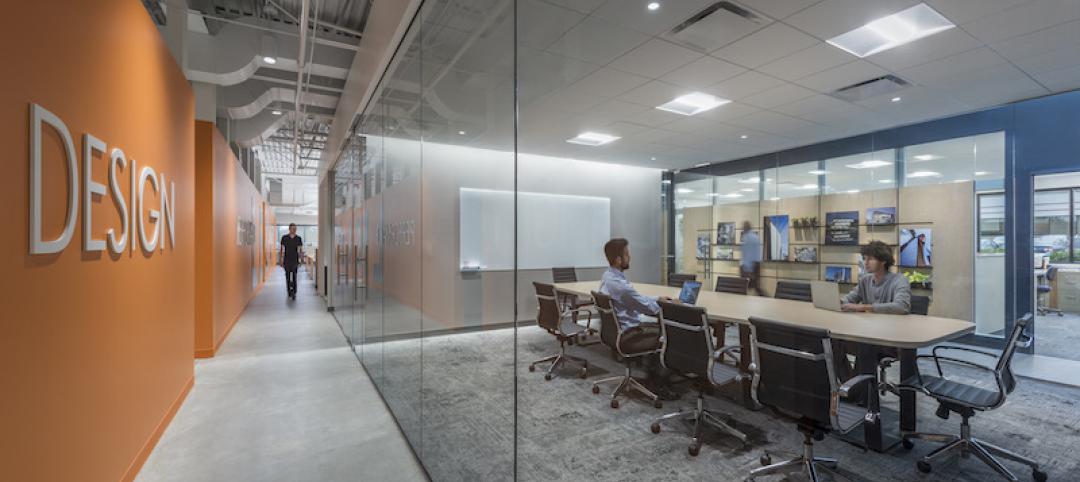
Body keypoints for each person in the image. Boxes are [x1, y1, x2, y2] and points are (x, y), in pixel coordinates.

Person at [598, 238, 679, 400]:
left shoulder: (608, 277)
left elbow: (637, 299)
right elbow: (647, 308)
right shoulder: (621, 286)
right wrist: (671, 308)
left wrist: (658, 298)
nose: (630, 257)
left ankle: (651, 373)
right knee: (669, 334)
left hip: (616, 332)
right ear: (618, 259)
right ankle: (658, 383)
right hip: (628, 334)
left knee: (657, 327)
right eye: (627, 254)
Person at [836, 240, 911, 401]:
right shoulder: (865, 280)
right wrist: (838, 302)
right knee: (833, 343)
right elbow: (850, 298)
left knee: (865, 346)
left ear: (883, 261)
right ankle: (853, 388)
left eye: (870, 258)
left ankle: (865, 398)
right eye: (865, 258)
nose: (866, 262)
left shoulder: (899, 280)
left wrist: (863, 307)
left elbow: (901, 307)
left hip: (891, 339)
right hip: (867, 333)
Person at [280, 224, 304, 299]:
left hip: (295, 259)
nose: (294, 230)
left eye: (295, 228)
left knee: (294, 275)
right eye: (293, 228)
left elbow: (300, 250)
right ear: (289, 229)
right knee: (287, 275)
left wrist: (301, 259)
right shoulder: (284, 238)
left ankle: (294, 291)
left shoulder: (298, 238)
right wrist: (281, 259)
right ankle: (289, 291)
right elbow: (282, 249)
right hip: (286, 259)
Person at [739, 221, 762, 295]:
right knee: (755, 287)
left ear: (745, 228)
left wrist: (746, 269)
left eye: (743, 227)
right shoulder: (755, 236)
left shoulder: (746, 238)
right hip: (756, 264)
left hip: (749, 266)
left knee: (744, 287)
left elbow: (746, 254)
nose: (743, 228)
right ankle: (765, 298)